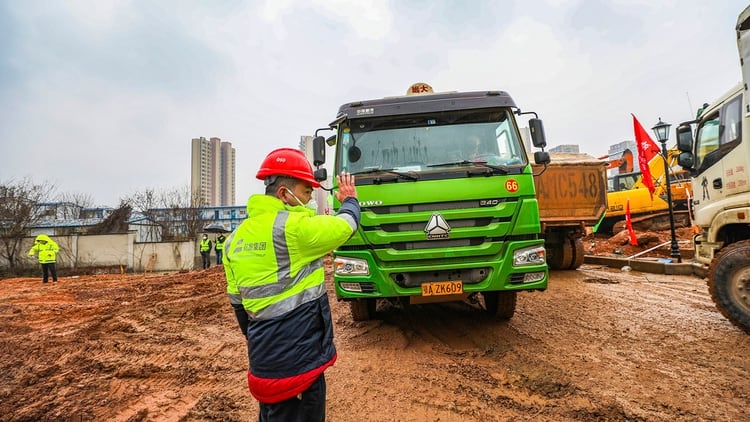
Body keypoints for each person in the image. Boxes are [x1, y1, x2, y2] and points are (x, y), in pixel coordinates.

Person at [223, 148, 360, 422]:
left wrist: (262, 341)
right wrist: (350, 200)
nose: (309, 200)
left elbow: (239, 306)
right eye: (307, 192)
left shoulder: (234, 240)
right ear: (285, 193)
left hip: (264, 361)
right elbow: (346, 225)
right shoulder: (294, 229)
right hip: (300, 363)